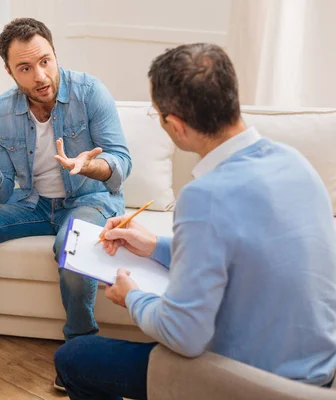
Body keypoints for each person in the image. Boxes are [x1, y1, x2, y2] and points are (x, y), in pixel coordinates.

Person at [54, 42, 336, 400]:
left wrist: (134, 297)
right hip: (321, 373)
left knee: (75, 358)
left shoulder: (205, 195)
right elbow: (244, 252)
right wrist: (154, 247)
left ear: (175, 125)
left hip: (259, 383)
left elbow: (184, 335)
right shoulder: (296, 163)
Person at [0, 18, 132, 389]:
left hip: (87, 199)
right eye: (26, 68)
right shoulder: (1, 112)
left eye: (45, 61)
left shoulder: (90, 92)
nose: (40, 75)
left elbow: (121, 163)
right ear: (10, 71)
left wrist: (88, 166)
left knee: (72, 242)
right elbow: (0, 189)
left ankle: (80, 351)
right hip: (30, 203)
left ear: (54, 53)